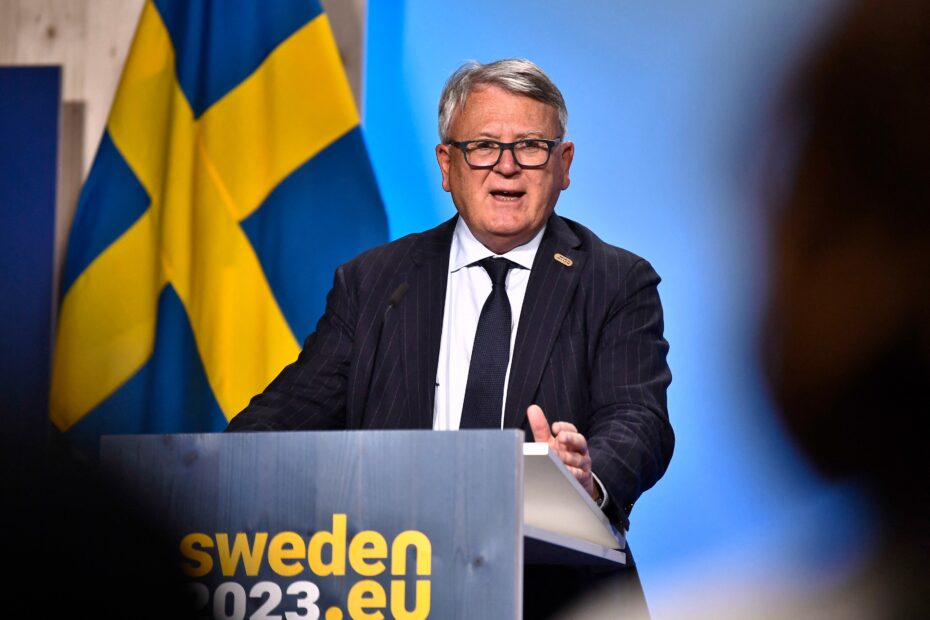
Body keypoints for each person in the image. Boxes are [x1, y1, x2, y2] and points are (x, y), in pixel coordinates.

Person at [228, 58, 674, 617]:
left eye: (531, 147)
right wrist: (205, 474)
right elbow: (280, 421)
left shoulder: (616, 281)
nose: (506, 167)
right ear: (447, 164)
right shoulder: (374, 282)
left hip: (558, 596)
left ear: (563, 165)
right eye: (483, 146)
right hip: (391, 588)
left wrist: (588, 479)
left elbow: (640, 419)